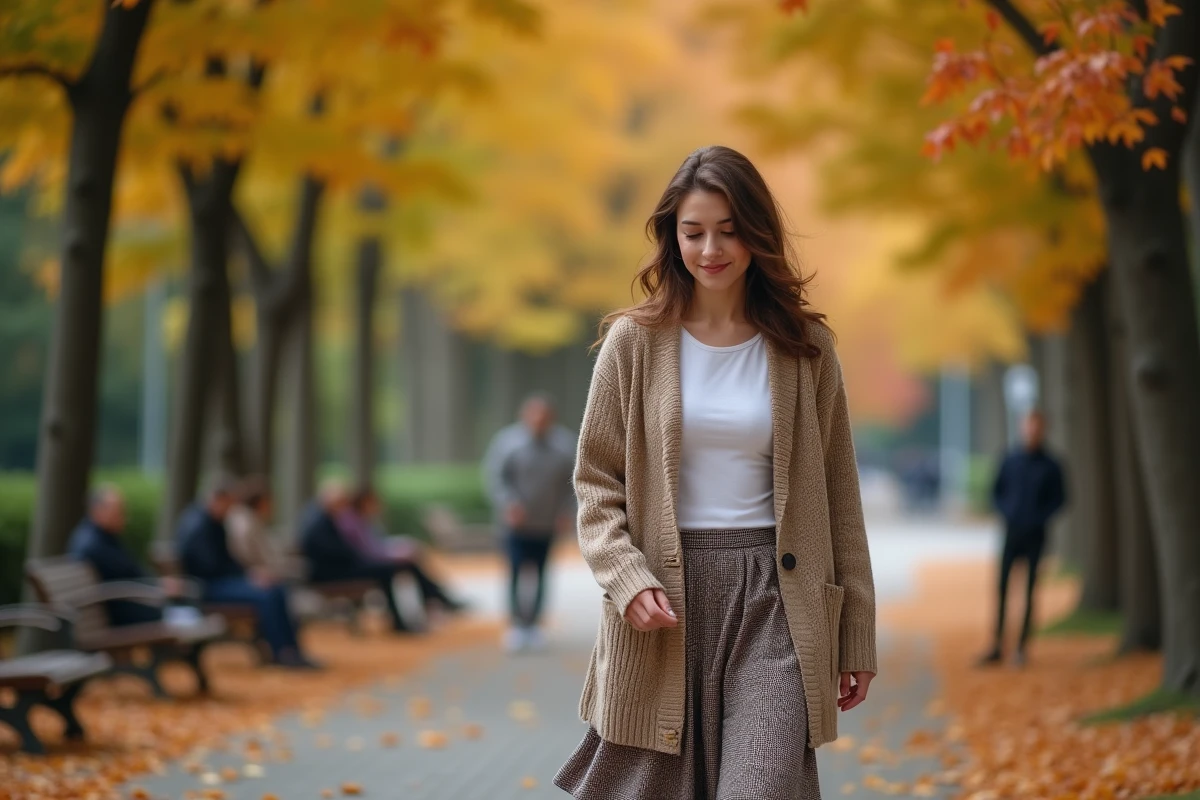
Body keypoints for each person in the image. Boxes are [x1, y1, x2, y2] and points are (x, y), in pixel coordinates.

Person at [553, 145, 878, 800]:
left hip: (775, 599)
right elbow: (596, 482)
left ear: (757, 233)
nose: (712, 248)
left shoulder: (806, 349)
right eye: (694, 231)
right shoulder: (633, 343)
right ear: (672, 237)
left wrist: (856, 633)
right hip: (665, 602)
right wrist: (624, 576)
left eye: (730, 230)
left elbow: (841, 495)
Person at [177, 477, 318, 669]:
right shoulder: (199, 526)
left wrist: (249, 574)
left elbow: (225, 560)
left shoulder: (213, 522)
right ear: (219, 499)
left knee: (276, 590)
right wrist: (247, 576)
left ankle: (291, 650)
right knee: (267, 596)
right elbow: (210, 567)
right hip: (207, 588)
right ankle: (280, 651)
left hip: (219, 582)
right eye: (229, 504)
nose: (231, 509)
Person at [298, 481, 463, 633]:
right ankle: (425, 603)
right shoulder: (322, 524)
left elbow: (352, 549)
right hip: (332, 574)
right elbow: (342, 551)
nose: (344, 506)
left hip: (341, 568)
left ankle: (429, 601)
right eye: (341, 502)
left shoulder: (328, 520)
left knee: (396, 567)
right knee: (390, 570)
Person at [482, 393, 577, 653]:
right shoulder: (507, 443)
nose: (538, 421)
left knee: (541, 573)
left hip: (546, 523)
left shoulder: (565, 445)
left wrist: (568, 512)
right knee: (514, 572)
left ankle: (534, 624)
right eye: (533, 416)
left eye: (543, 417)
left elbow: (574, 482)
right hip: (515, 525)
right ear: (524, 416)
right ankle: (516, 625)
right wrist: (508, 503)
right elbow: (495, 478)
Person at [979, 409, 1067, 667]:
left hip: (1036, 536)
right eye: (1028, 426)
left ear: (1043, 430)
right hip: (1011, 533)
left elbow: (1061, 499)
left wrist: (1039, 517)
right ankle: (997, 646)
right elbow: (996, 492)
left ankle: (1021, 648)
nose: (1032, 431)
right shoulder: (1010, 459)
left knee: (1030, 591)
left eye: (1037, 426)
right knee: (1002, 589)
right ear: (1022, 428)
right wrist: (1007, 512)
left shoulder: (1052, 465)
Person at [68, 485, 181, 626]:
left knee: (176, 612)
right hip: (114, 612)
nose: (124, 518)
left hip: (115, 605)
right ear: (99, 511)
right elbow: (126, 575)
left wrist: (155, 585)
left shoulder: (97, 537)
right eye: (119, 512)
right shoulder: (96, 545)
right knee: (174, 615)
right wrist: (156, 587)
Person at [226, 476, 304, 582]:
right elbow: (253, 557)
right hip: (252, 574)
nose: (273, 506)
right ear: (262, 502)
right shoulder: (247, 524)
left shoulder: (251, 520)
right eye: (271, 501)